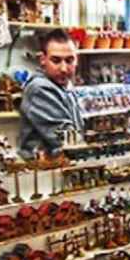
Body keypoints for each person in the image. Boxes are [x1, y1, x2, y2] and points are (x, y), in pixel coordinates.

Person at [18, 29, 82, 161]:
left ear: (77, 60)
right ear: (43, 60)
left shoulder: (64, 87)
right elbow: (67, 141)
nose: (64, 68)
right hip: (42, 173)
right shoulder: (40, 89)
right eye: (56, 61)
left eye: (69, 60)